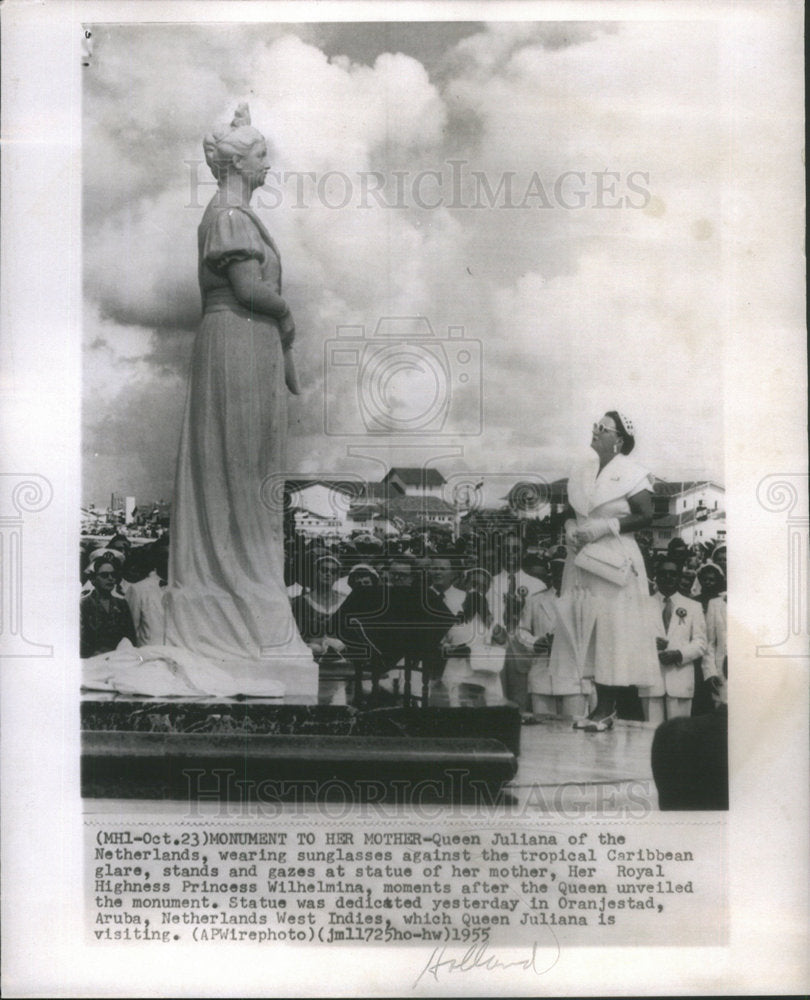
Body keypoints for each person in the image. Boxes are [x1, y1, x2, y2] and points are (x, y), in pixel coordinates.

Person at [163, 104, 316, 699]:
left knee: (247, 464)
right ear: (236, 162)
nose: (268, 164)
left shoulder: (235, 213)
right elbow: (251, 290)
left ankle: (247, 580)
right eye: (260, 154)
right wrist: (287, 315)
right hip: (239, 338)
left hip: (247, 342)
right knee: (237, 462)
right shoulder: (229, 215)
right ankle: (240, 583)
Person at [552, 411, 660, 731]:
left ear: (620, 440)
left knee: (614, 630)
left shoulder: (633, 472)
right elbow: (572, 512)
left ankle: (609, 708)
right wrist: (572, 526)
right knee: (588, 625)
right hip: (582, 557)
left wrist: (608, 525)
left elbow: (646, 515)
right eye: (595, 426)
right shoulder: (582, 470)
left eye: (603, 428)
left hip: (614, 557)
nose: (596, 431)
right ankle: (598, 705)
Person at [639, 556, 712, 724]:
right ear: (656, 576)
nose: (668, 578)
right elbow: (631, 639)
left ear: (679, 577)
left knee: (679, 737)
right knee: (650, 736)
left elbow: (701, 643)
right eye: (663, 574)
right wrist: (649, 644)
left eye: (673, 574)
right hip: (650, 679)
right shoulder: (643, 605)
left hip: (680, 679)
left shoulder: (692, 606)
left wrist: (679, 654)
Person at [486, 533, 547, 715]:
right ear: (500, 552)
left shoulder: (537, 586)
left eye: (516, 550)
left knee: (522, 706)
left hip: (523, 654)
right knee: (495, 703)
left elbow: (539, 624)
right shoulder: (489, 583)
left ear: (523, 553)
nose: (510, 554)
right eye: (506, 549)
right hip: (495, 650)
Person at [441, 591, 506, 707]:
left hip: (485, 673)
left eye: (479, 602)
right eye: (470, 601)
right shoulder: (454, 621)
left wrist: (488, 616)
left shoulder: (489, 622)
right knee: (455, 709)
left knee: (490, 711)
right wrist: (454, 651)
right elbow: (440, 645)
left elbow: (502, 640)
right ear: (464, 604)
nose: (474, 605)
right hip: (457, 673)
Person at [80, 556, 137, 658]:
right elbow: (80, 640)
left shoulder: (121, 604)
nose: (110, 578)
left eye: (113, 575)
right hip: (92, 661)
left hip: (119, 659)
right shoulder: (83, 605)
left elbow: (130, 637)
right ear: (93, 579)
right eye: (104, 575)